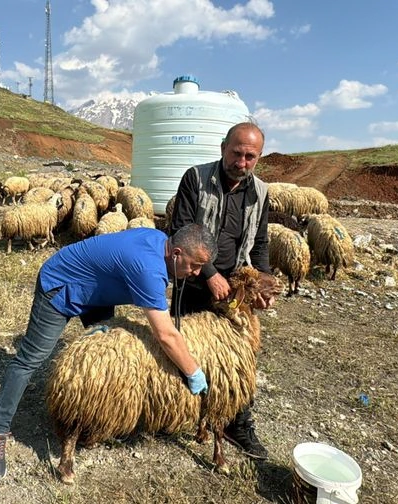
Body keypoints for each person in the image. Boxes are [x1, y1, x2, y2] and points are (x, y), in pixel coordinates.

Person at [0, 224, 218, 481]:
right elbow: (166, 335)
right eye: (194, 265)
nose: (195, 274)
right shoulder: (149, 268)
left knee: (108, 358)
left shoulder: (161, 243)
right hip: (61, 284)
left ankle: (93, 420)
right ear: (177, 252)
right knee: (31, 359)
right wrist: (193, 372)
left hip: (97, 292)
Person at [168, 121, 276, 460]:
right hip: (195, 281)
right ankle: (178, 411)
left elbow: (259, 244)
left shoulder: (259, 192)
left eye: (250, 157)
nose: (241, 163)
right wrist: (210, 273)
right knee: (183, 350)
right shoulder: (196, 179)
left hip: (234, 291)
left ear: (258, 158)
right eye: (236, 153)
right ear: (222, 149)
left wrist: (264, 282)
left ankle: (236, 422)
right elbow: (182, 228)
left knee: (237, 359)